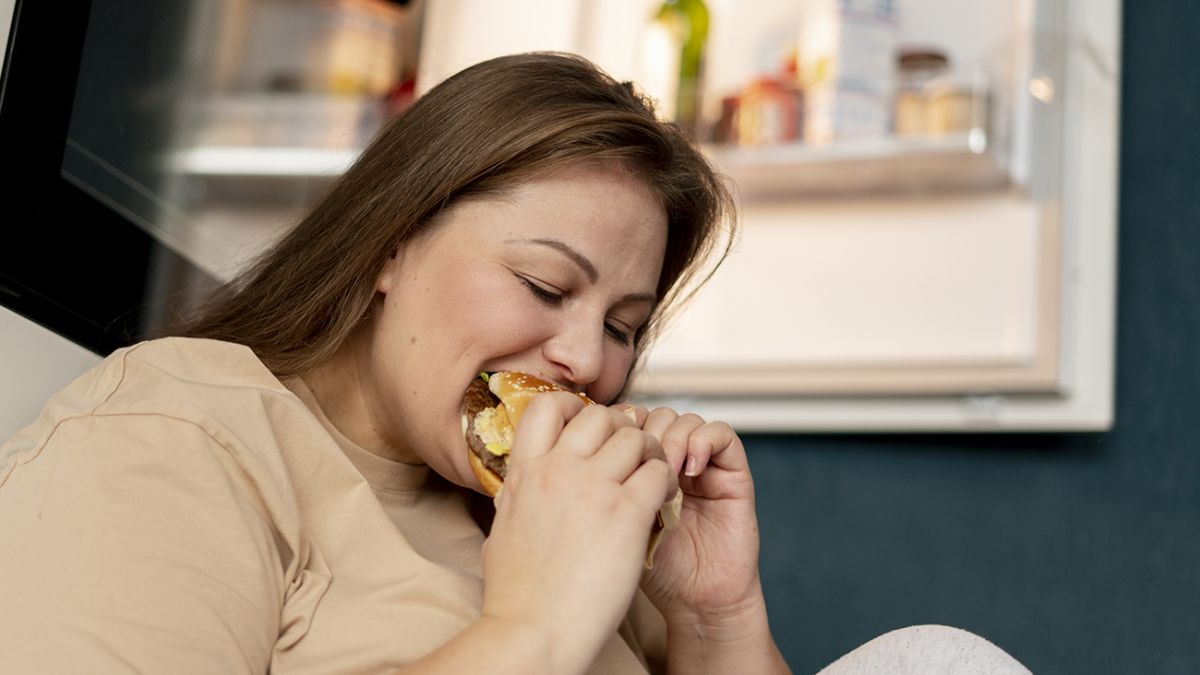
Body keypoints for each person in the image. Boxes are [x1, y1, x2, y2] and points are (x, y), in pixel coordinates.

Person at [0, 52, 789, 674]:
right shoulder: (174, 437)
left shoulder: (583, 510)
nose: (586, 360)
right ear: (392, 242)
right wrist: (532, 627)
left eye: (623, 326)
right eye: (544, 285)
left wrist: (713, 612)